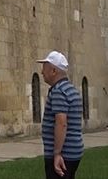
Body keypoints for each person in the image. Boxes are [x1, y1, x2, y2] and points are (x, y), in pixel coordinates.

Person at [37, 51, 84, 179]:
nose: (42, 72)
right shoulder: (71, 90)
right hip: (74, 151)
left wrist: (57, 153)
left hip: (64, 154)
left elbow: (61, 123)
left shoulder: (58, 91)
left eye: (44, 69)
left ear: (53, 71)